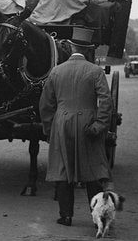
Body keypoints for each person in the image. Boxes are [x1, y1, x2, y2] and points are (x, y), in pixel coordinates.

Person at [38, 42, 112, 227]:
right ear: (88, 50)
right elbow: (106, 101)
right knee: (93, 171)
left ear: (70, 49)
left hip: (62, 124)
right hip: (88, 124)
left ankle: (66, 216)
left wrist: (50, 129)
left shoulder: (56, 71)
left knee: (63, 169)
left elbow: (45, 104)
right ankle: (98, 217)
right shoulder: (95, 71)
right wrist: (99, 125)